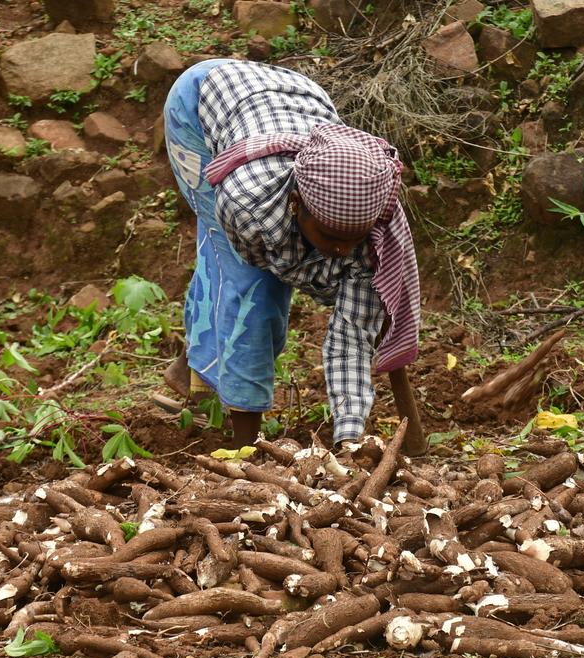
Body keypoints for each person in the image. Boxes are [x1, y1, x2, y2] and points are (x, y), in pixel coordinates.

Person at [161, 59, 421, 447]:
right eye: (330, 236)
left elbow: (350, 341)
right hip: (200, 104)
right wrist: (326, 281)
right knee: (253, 290)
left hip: (293, 94)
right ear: (297, 204)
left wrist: (348, 441)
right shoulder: (247, 205)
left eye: (353, 240)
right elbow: (261, 273)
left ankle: (191, 373)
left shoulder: (375, 235)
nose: (342, 250)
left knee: (265, 284)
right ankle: (243, 437)